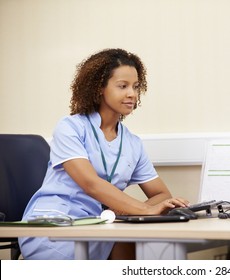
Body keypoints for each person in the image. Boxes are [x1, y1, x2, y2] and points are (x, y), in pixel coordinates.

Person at [19, 48, 189, 260]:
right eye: (122, 86)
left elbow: (161, 194)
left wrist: (130, 212)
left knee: (148, 249)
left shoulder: (132, 143)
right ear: (99, 88)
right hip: (54, 225)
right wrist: (144, 211)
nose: (132, 94)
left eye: (136, 87)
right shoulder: (70, 127)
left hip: (100, 226)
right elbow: (91, 184)